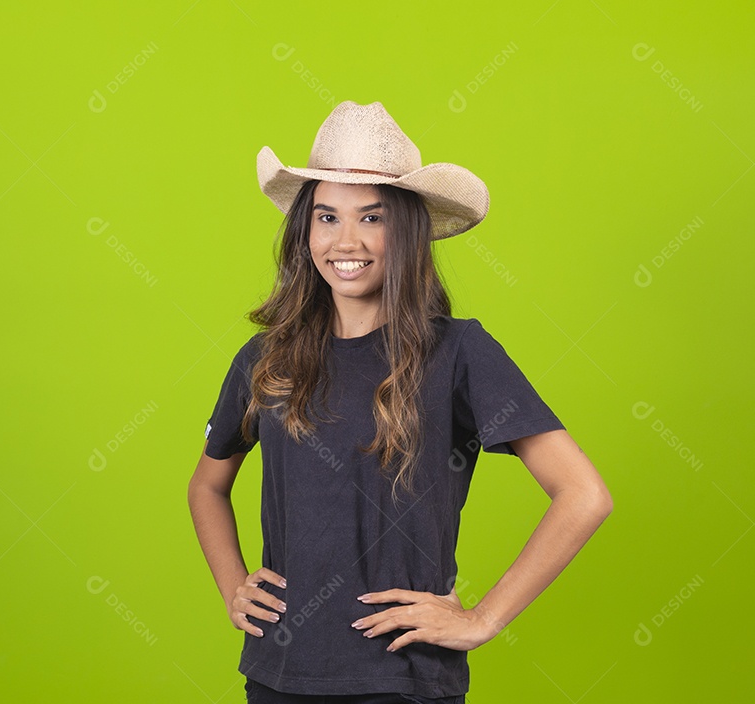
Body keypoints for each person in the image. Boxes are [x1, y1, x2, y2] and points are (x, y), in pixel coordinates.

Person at [186, 101, 613, 703]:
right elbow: (206, 486)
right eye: (327, 217)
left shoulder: (459, 352)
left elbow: (584, 494)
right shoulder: (265, 359)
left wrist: (482, 618)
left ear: (407, 231)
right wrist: (234, 586)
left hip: (403, 679)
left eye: (373, 217)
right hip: (278, 674)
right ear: (305, 229)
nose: (347, 241)